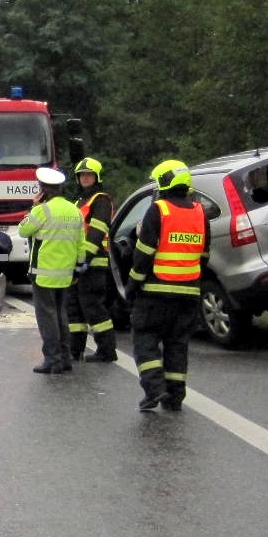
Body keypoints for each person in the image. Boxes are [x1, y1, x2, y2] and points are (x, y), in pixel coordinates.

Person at [126, 159, 210, 410]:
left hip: (156, 292)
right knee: (177, 344)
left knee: (145, 338)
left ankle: (154, 389)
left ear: (164, 182)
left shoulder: (159, 210)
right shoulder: (200, 212)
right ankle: (174, 397)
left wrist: (132, 285)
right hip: (189, 293)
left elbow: (144, 254)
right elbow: (204, 255)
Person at [18, 166, 84, 374]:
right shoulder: (75, 211)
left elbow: (23, 230)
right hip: (66, 274)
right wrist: (78, 269)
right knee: (61, 315)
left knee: (47, 317)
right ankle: (65, 358)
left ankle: (52, 360)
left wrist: (33, 207)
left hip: (43, 274)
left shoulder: (42, 210)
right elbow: (80, 244)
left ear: (43, 190)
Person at [67, 156, 118, 363]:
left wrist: (83, 260)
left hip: (93, 263)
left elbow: (96, 233)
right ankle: (74, 350)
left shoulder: (101, 200)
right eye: (82, 175)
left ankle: (107, 351)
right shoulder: (78, 202)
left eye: (89, 175)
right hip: (77, 263)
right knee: (74, 310)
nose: (85, 178)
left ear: (97, 177)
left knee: (94, 308)